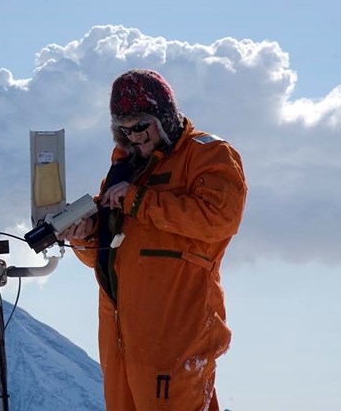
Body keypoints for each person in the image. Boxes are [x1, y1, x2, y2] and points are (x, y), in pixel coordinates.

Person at [59, 69, 247, 410]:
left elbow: (220, 219)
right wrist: (86, 237)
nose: (134, 137)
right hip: (121, 339)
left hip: (176, 335)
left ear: (164, 117)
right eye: (124, 130)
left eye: (141, 126)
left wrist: (139, 200)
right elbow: (104, 256)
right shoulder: (124, 165)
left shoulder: (209, 154)